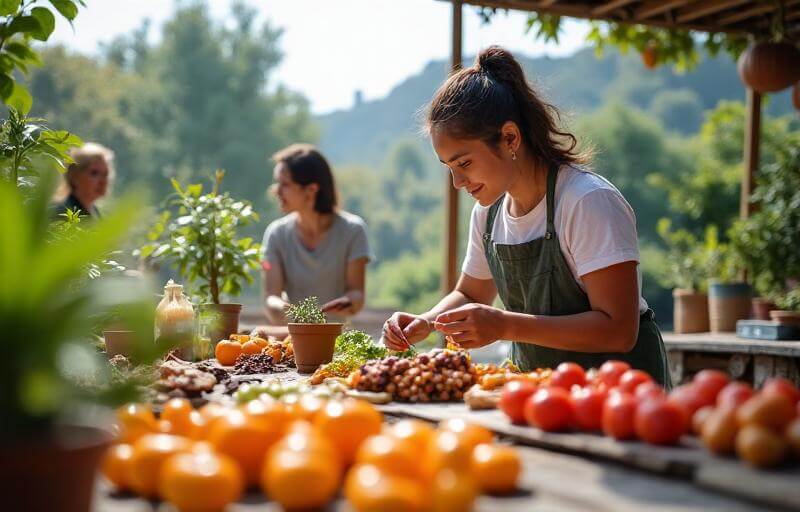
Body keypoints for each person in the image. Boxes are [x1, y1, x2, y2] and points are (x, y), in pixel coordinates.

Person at [381, 46, 670, 386]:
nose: (457, 183)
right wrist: (426, 321)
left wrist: (505, 325)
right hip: (542, 396)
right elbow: (472, 294)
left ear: (509, 138)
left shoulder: (587, 201)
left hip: (621, 399)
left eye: (464, 163)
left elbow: (619, 330)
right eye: (449, 168)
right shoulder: (487, 214)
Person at [256, 143, 372, 329]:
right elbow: (271, 298)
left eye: (284, 184)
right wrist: (297, 314)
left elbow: (357, 293)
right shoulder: (276, 234)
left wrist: (348, 302)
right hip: (292, 339)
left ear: (311, 190)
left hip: (335, 341)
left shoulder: (353, 230)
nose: (275, 190)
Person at [51, 142, 114, 219]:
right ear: (74, 175)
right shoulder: (60, 214)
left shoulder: (97, 214)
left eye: (106, 174)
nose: (103, 181)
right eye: (94, 173)